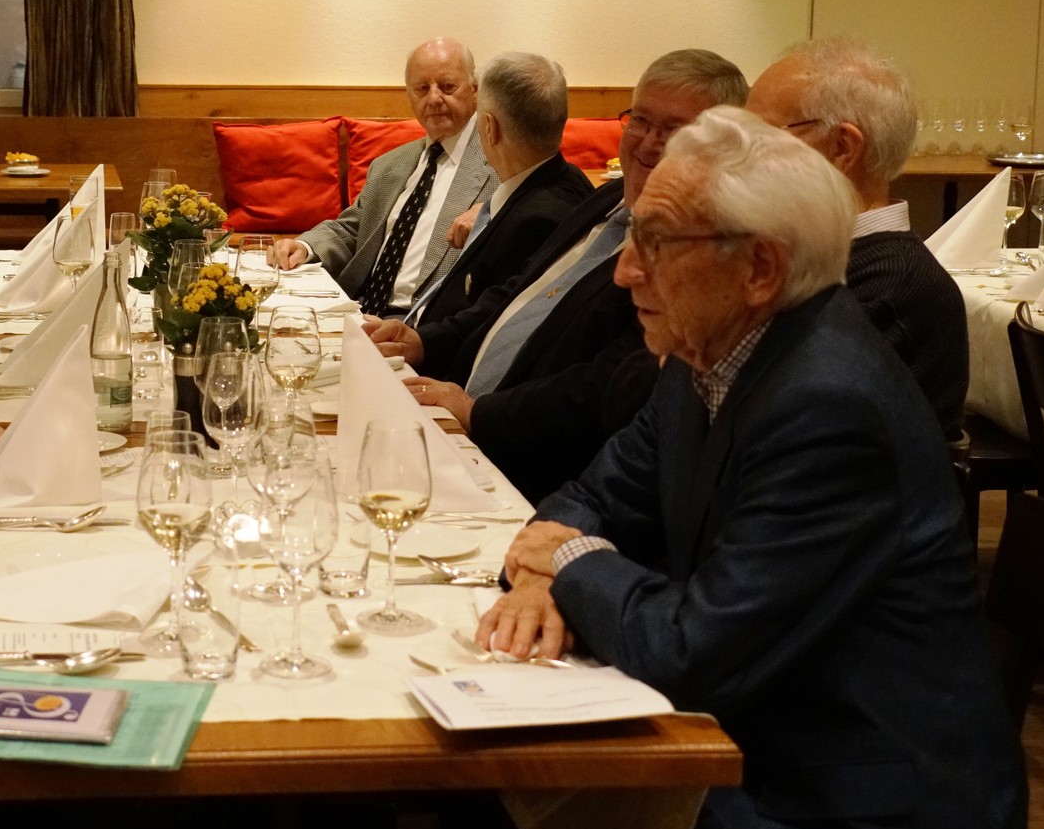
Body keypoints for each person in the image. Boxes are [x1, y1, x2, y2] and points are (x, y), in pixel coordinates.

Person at [479, 108, 1024, 829]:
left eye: (656, 242)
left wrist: (570, 560)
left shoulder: (829, 406)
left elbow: (690, 651)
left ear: (760, 270)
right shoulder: (706, 353)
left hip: (847, 807)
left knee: (503, 796)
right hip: (758, 744)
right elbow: (591, 494)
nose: (624, 270)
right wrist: (542, 576)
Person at [374, 49, 749, 503]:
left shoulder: (703, 252)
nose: (649, 142)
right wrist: (423, 342)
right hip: (461, 425)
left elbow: (608, 384)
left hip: (527, 466)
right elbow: (516, 292)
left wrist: (478, 414)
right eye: (641, 121)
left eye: (674, 130)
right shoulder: (605, 198)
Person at [746, 37, 967, 438]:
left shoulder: (892, 289)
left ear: (841, 148)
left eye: (759, 135)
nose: (739, 156)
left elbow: (776, 426)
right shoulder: (817, 259)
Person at [271, 37, 496, 317]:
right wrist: (304, 246)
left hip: (425, 320)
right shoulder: (390, 164)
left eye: (447, 86)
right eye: (422, 89)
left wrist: (491, 211)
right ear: (409, 96)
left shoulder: (499, 161)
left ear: (474, 90)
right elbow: (352, 230)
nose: (434, 99)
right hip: (357, 309)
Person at [403, 51, 593, 328]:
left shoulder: (535, 221)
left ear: (489, 128)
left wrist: (419, 341)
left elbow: (487, 321)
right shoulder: (570, 180)